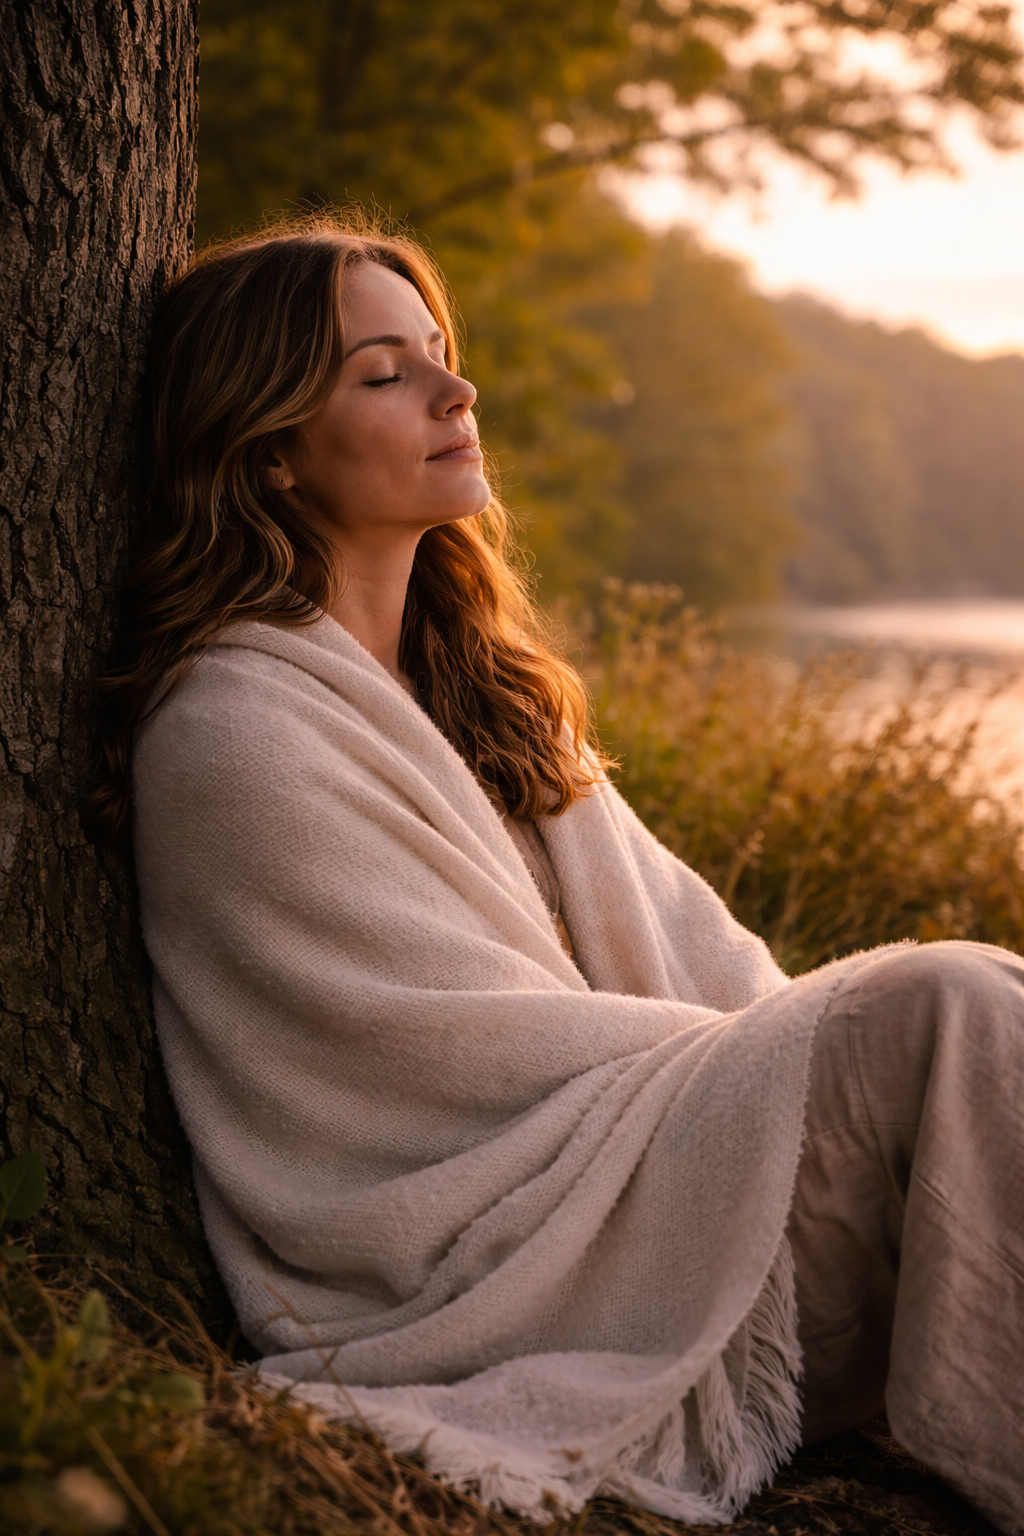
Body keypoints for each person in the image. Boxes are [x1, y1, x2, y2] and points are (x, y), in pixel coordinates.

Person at [92, 217, 1023, 1533]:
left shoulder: (488, 698)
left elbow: (718, 963)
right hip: (514, 1276)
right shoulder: (233, 732)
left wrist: (803, 1068)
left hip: (669, 1194)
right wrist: (800, 1070)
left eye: (440, 352)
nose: (455, 389)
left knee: (966, 1018)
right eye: (385, 373)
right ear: (271, 449)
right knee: (951, 1006)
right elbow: (446, 1067)